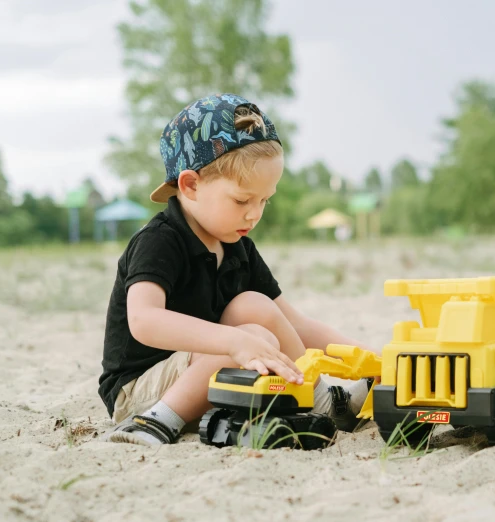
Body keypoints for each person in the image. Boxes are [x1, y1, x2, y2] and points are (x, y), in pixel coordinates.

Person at [98, 93, 373, 446]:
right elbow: (144, 321)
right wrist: (235, 341)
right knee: (249, 341)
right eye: (243, 200)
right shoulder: (160, 241)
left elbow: (296, 325)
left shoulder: (236, 244)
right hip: (141, 389)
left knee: (256, 308)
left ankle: (320, 397)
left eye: (264, 200)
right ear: (191, 185)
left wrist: (366, 358)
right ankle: (156, 422)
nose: (254, 214)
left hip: (212, 369)